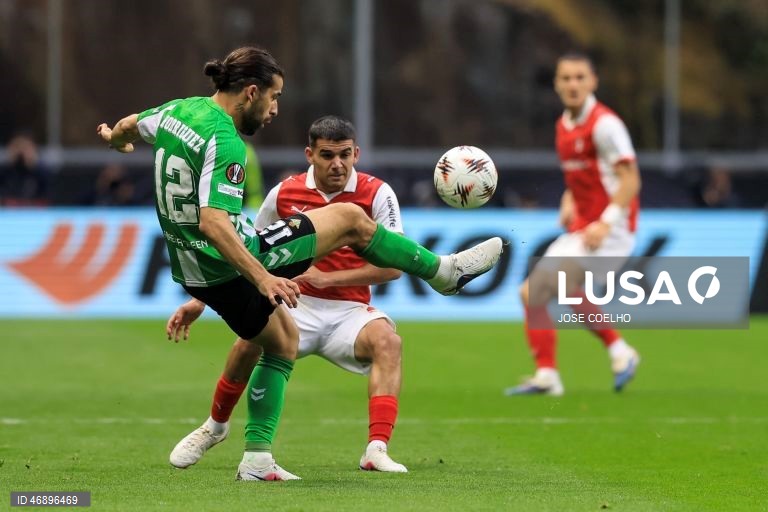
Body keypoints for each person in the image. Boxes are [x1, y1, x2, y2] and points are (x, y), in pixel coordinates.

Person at [96, 46, 503, 481]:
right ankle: (444, 273)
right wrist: (263, 278)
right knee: (349, 219)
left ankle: (256, 460)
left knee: (281, 342)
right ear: (251, 93)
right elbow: (214, 223)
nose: (274, 109)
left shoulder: (177, 111)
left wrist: (116, 140)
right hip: (231, 261)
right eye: (274, 97)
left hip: (194, 270)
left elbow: (132, 125)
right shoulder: (226, 141)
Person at [167, 115, 410, 473]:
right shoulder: (284, 193)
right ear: (310, 155)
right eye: (328, 155)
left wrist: (329, 280)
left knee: (389, 342)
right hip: (295, 302)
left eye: (345, 154)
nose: (338, 164)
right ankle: (214, 426)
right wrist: (199, 300)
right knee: (248, 340)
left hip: (351, 310)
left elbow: (394, 266)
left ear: (356, 154)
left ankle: (376, 449)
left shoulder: (377, 193)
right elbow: (244, 251)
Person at [505, 52, 641, 397]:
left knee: (561, 279)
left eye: (580, 77)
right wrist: (569, 200)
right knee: (530, 293)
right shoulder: (564, 125)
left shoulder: (606, 125)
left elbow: (630, 180)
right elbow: (584, 175)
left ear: (593, 82)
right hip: (583, 224)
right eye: (566, 78)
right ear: (556, 84)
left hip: (613, 227)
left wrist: (606, 223)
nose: (573, 84)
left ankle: (619, 350)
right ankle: (549, 374)